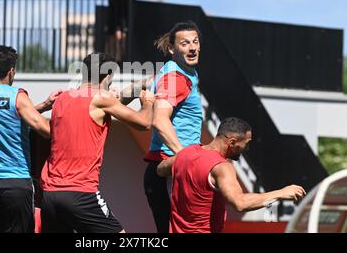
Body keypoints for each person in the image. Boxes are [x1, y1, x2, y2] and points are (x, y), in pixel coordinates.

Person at [40, 52, 155, 233]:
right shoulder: (102, 99)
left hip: (50, 194)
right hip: (81, 193)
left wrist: (142, 84)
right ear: (108, 76)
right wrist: (147, 103)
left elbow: (99, 105)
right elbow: (144, 123)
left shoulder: (62, 98)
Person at [0, 45, 60, 233]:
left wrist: (44, 105)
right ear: (11, 71)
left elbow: (6, 113)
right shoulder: (17, 95)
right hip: (15, 184)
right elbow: (46, 130)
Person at [157, 117, 306, 233]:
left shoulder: (186, 154)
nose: (247, 148)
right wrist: (281, 193)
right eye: (246, 143)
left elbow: (160, 169)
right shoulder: (222, 167)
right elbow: (240, 203)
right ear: (232, 142)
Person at [143, 21, 203, 233]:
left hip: (170, 167)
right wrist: (187, 158)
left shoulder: (176, 71)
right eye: (185, 43)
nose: (192, 47)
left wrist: (117, 98)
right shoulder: (176, 78)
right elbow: (160, 119)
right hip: (168, 168)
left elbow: (142, 84)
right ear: (172, 48)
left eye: (195, 42)